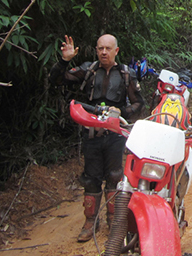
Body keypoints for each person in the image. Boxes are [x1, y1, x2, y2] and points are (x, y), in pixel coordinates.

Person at [48, 34, 144, 242]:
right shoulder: (88, 70)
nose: (103, 52)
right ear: (96, 49)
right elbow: (56, 81)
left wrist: (120, 112)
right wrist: (64, 60)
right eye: (100, 48)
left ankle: (113, 220)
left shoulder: (127, 74)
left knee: (115, 175)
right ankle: (90, 221)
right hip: (91, 132)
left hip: (115, 133)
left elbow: (139, 103)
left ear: (116, 51)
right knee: (91, 178)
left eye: (108, 48)